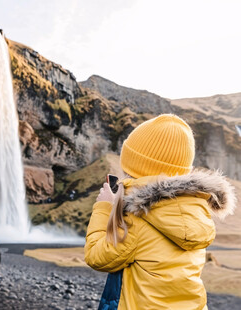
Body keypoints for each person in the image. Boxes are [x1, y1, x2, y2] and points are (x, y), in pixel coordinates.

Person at [84, 114, 236, 310]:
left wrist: (104, 207)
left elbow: (97, 257)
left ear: (136, 167)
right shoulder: (197, 209)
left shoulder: (139, 216)